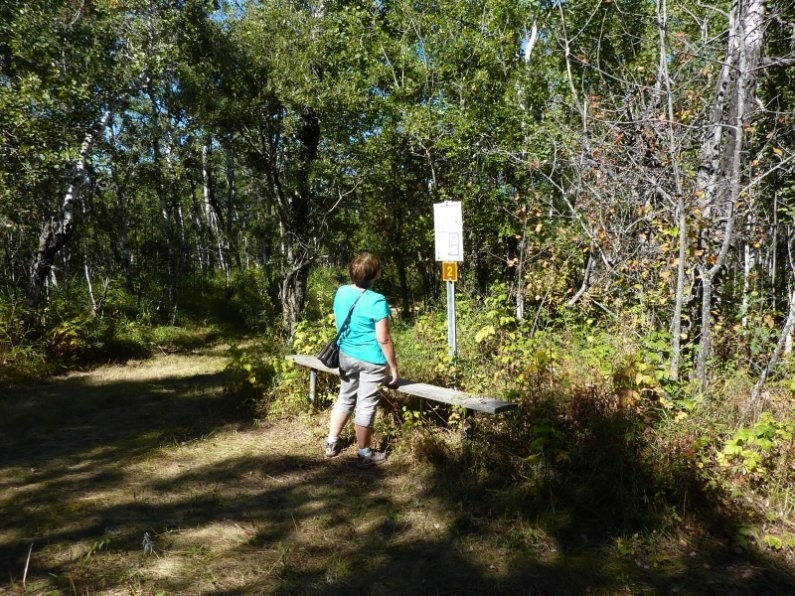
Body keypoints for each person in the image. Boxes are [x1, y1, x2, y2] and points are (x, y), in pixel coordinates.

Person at [324, 252, 399, 468]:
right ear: (376, 274)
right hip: (371, 361)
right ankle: (365, 454)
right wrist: (393, 368)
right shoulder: (377, 300)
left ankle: (331, 442)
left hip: (345, 355)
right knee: (366, 405)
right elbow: (383, 338)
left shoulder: (341, 292)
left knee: (345, 397)